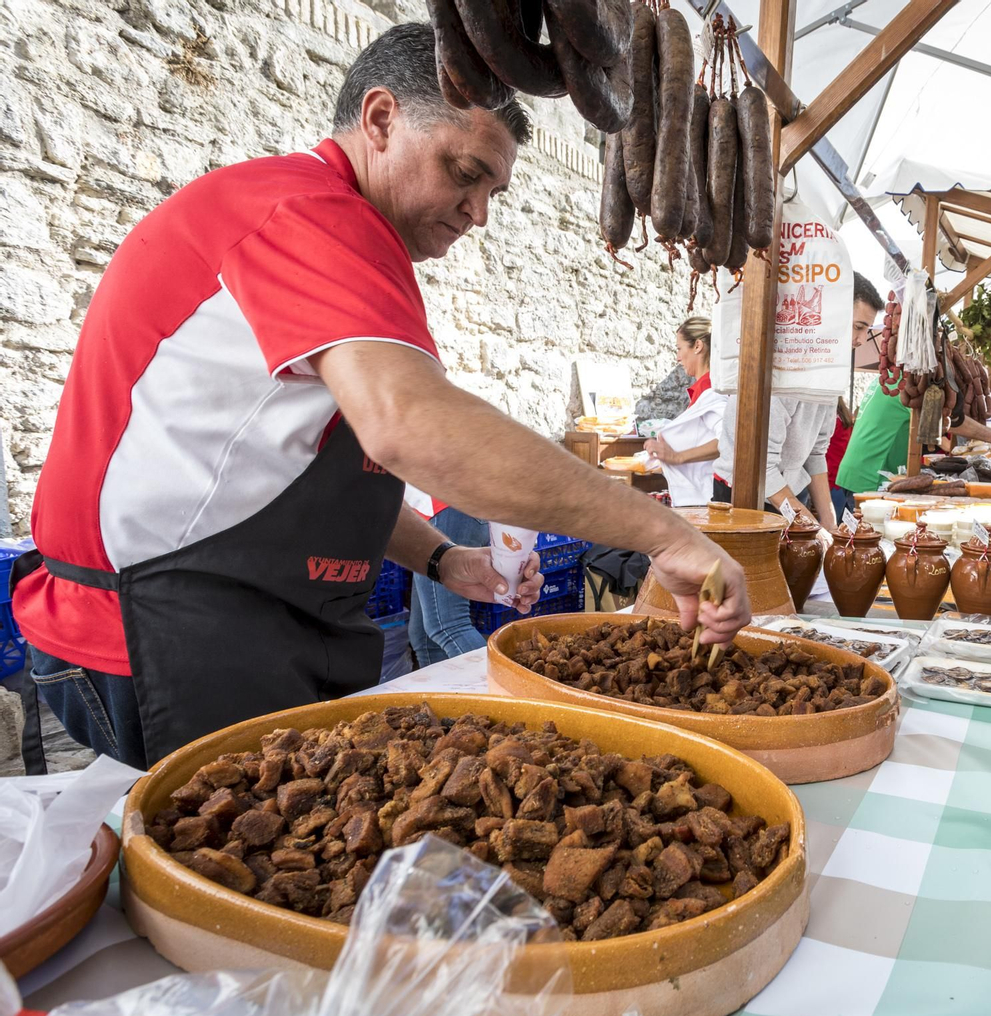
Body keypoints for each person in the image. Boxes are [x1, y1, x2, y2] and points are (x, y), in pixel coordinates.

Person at [11, 23, 750, 773]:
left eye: (493, 191)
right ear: (380, 119)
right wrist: (663, 534)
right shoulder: (308, 214)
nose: (479, 212)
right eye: (465, 173)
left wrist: (443, 559)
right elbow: (411, 427)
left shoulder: (325, 227)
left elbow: (291, 471)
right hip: (154, 632)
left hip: (226, 624)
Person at [710, 273, 887, 528]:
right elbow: (762, 469)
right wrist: (813, 527)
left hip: (789, 491)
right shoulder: (781, 370)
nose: (860, 340)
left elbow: (816, 453)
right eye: (858, 327)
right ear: (833, 314)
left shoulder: (827, 374)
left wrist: (830, 523)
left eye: (867, 330)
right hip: (744, 496)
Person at [834, 278, 991, 496]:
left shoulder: (895, 374)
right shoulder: (906, 381)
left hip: (857, 474)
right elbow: (949, 421)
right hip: (869, 478)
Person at [643, 317, 726, 507]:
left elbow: (728, 441)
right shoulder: (703, 391)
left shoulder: (711, 392)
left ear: (697, 346)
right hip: (702, 497)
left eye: (679, 349)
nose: (678, 357)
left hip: (706, 498)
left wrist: (677, 457)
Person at [404, 491, 490, 667]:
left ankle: (498, 691)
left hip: (441, 506)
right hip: (454, 507)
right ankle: (439, 693)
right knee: (422, 636)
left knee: (448, 625)